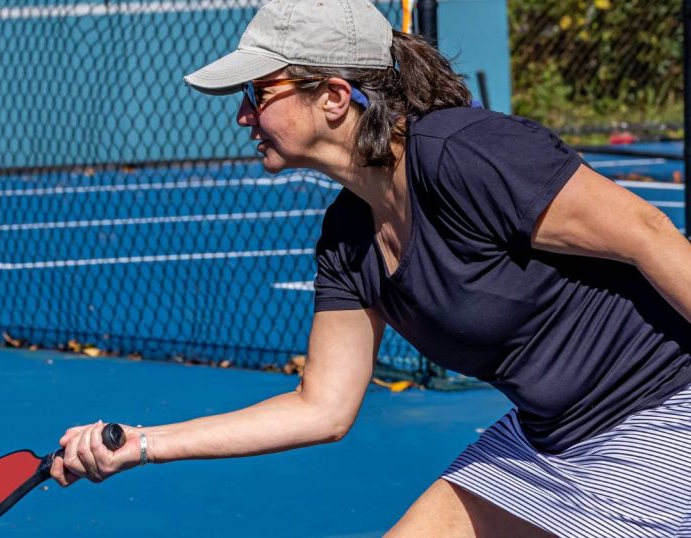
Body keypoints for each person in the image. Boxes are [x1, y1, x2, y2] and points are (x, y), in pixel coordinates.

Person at [49, 0, 691, 535]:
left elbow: (649, 234)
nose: (244, 114)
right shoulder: (348, 238)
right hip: (543, 440)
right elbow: (320, 408)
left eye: (258, 92)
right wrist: (144, 443)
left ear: (333, 96)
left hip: (664, 414)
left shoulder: (463, 152)